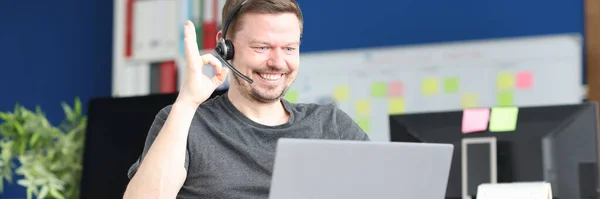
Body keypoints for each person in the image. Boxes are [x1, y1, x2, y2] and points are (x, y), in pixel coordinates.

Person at [123, 0, 370, 198]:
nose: (277, 62)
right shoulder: (184, 122)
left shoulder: (330, 125)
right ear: (225, 47)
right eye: (262, 47)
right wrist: (187, 102)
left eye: (289, 48)